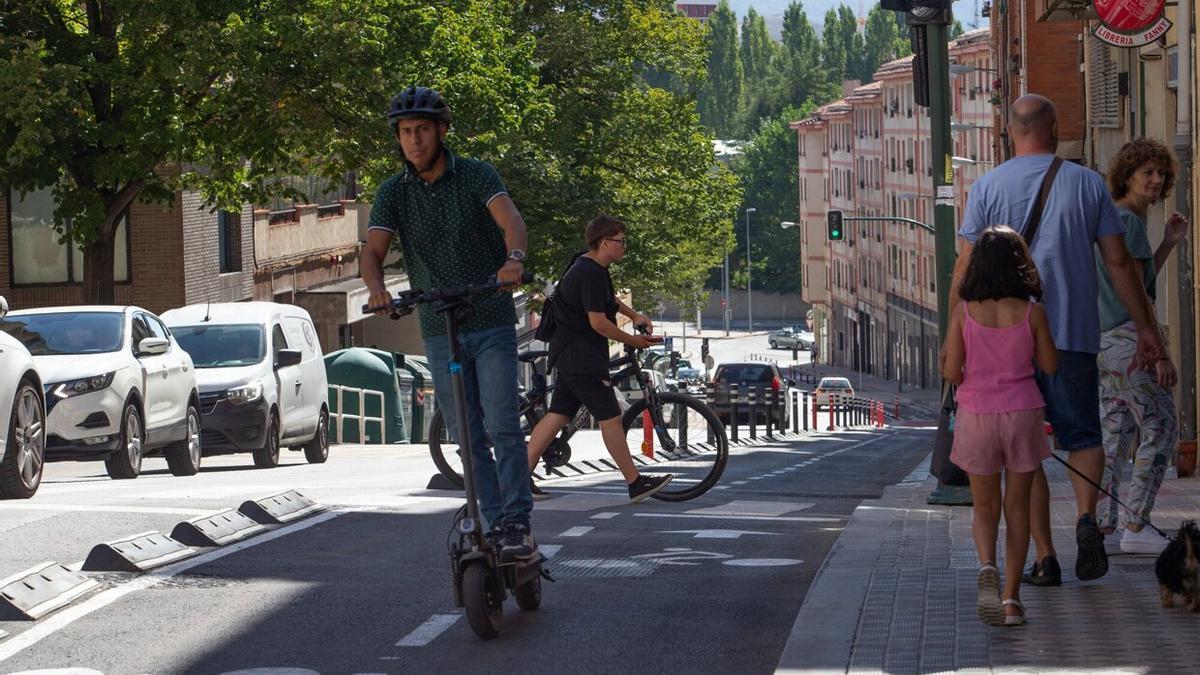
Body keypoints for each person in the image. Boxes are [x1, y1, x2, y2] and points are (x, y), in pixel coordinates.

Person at [953, 94, 1171, 586]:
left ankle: (1045, 558)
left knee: (1023, 457)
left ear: (1011, 131)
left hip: (1009, 340)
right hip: (1073, 334)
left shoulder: (988, 186)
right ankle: (1086, 518)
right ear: (1054, 131)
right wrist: (1146, 330)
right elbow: (1119, 265)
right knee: (1083, 437)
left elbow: (964, 267)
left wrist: (958, 335)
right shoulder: (1089, 184)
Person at [362, 86, 536, 561]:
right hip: (441, 328)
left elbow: (512, 222)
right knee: (464, 431)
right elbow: (372, 254)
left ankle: (516, 521)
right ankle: (486, 514)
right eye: (404, 133)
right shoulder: (393, 192)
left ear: (441, 131)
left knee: (502, 423)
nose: (413, 140)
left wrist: (514, 259)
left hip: (491, 318)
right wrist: (378, 290)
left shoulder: (476, 175)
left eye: (421, 130)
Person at [942, 226, 1058, 626]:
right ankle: (1010, 599)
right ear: (1019, 265)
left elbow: (953, 372)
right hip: (1023, 412)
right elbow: (1049, 366)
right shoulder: (1032, 312)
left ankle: (986, 564)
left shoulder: (964, 313)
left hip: (977, 415)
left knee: (985, 506)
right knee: (1018, 508)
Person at [525, 215, 673, 502]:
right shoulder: (589, 272)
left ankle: (518, 480)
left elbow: (607, 300)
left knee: (558, 415)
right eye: (620, 241)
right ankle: (635, 482)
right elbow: (598, 323)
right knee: (611, 418)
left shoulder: (590, 265)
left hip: (570, 352)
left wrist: (634, 316)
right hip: (583, 357)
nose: (624, 247)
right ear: (605, 242)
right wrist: (634, 340)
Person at [1096, 139, 1185, 555]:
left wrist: (1167, 242)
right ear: (1126, 176)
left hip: (1105, 340)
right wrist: (1160, 350)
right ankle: (1136, 524)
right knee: (1163, 427)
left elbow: (1137, 282)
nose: (1156, 180)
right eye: (1146, 172)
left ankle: (1100, 524)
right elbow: (1139, 296)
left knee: (1116, 433)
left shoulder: (1116, 220)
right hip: (1129, 338)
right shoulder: (1127, 221)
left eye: (1161, 173)